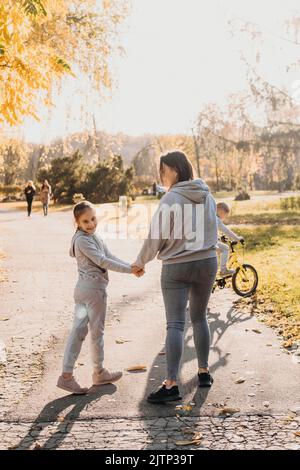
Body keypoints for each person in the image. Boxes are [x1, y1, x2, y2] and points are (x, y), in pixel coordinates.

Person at [132, 151, 218, 404]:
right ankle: (203, 372)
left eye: (163, 170)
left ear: (175, 171)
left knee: (176, 324)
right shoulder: (207, 196)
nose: (161, 176)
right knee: (200, 317)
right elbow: (212, 228)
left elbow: (155, 237)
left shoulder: (170, 199)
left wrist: (140, 261)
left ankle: (170, 384)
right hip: (207, 262)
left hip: (177, 267)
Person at [57, 201, 143, 395]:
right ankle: (97, 372)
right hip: (93, 293)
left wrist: (132, 266)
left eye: (93, 219)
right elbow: (103, 261)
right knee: (96, 333)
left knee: (79, 331)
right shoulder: (83, 240)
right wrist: (131, 271)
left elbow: (109, 255)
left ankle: (68, 375)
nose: (91, 224)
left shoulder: (92, 236)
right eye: (85, 221)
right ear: (77, 223)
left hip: (84, 291)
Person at [216, 202, 244, 277]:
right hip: (209, 243)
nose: (224, 217)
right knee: (225, 248)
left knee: (218, 253)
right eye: (225, 215)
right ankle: (223, 270)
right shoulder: (216, 220)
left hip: (204, 241)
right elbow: (226, 231)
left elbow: (210, 231)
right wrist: (237, 238)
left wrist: (219, 238)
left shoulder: (210, 217)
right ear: (221, 211)